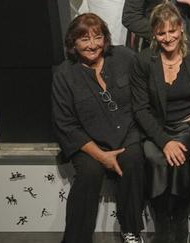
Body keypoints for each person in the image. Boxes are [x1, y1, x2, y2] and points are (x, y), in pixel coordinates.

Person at [51, 13, 146, 243]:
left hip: (127, 134)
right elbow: (66, 124)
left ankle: (130, 230)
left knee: (133, 159)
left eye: (98, 37)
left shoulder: (124, 56)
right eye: (84, 39)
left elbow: (144, 92)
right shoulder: (64, 74)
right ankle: (76, 238)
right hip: (88, 142)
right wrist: (102, 156)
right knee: (90, 173)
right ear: (73, 43)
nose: (93, 45)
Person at [130, 3, 190, 243]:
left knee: (180, 159)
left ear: (181, 28)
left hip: (188, 126)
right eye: (161, 33)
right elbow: (140, 108)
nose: (167, 37)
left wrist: (178, 141)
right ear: (154, 34)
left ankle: (179, 225)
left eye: (172, 30)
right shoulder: (144, 61)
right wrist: (164, 141)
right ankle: (162, 224)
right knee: (154, 158)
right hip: (157, 128)